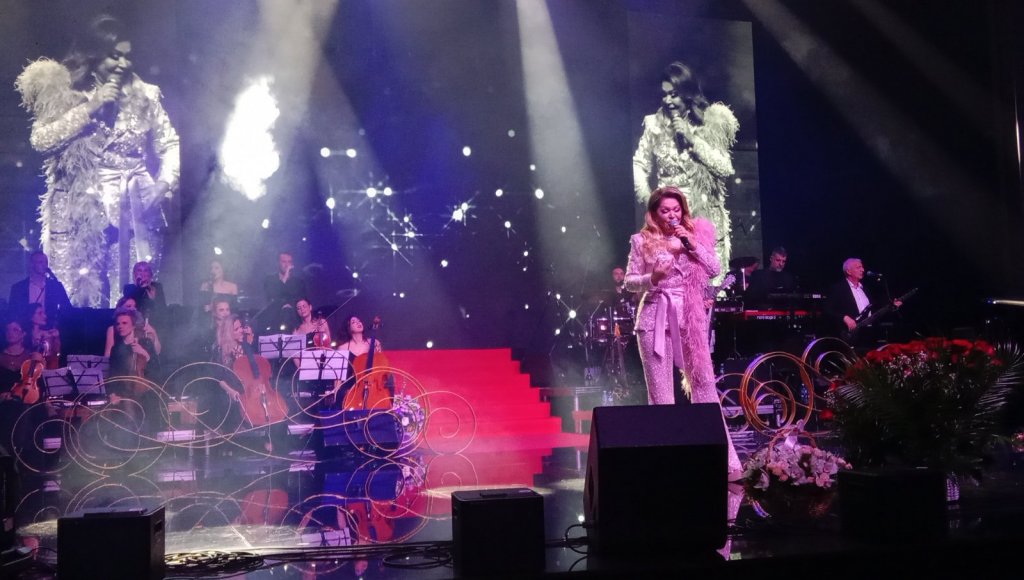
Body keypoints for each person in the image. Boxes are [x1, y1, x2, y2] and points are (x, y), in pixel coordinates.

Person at [14, 15, 179, 307]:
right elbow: (41, 140)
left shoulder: (147, 95)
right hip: (83, 207)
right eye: (114, 56)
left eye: (127, 56)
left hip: (138, 204)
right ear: (95, 55)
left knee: (133, 295)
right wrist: (91, 107)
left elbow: (169, 143)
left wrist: (164, 183)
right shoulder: (73, 96)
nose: (123, 64)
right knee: (76, 295)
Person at [624, 186, 742, 479]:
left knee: (705, 387)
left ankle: (725, 461)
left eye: (676, 210)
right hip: (654, 318)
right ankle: (667, 466)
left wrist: (691, 244)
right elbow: (629, 282)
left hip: (690, 319)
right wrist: (653, 277)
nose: (671, 215)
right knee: (661, 395)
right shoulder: (641, 241)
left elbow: (714, 268)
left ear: (683, 211)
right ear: (654, 213)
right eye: (665, 210)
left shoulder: (694, 236)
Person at [633, 62, 739, 281]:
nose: (668, 101)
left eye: (674, 95)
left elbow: (725, 168)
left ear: (687, 93)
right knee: (671, 286)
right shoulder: (653, 125)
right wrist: (650, 200)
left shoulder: (708, 124)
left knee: (706, 287)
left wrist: (693, 140)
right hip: (669, 224)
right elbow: (639, 164)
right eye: (664, 95)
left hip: (703, 221)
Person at [7, 251, 71, 327]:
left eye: (46, 262)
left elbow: (67, 307)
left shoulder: (55, 285)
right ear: (32, 265)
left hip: (49, 328)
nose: (44, 265)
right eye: (40, 262)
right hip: (26, 329)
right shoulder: (18, 288)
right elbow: (12, 312)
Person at [262, 252, 307, 332]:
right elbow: (273, 295)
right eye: (284, 262)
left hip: (293, 320)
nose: (287, 265)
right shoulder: (270, 280)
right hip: (275, 320)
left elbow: (301, 300)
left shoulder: (298, 282)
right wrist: (285, 276)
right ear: (278, 263)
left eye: (289, 262)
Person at [122, 261, 168, 334]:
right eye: (139, 270)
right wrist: (139, 286)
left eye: (145, 270)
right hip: (135, 324)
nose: (142, 273)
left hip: (155, 321)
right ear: (134, 273)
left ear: (150, 274)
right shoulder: (128, 288)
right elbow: (129, 307)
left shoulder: (156, 287)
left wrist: (150, 290)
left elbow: (162, 308)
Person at [26, 303, 61, 369]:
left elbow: (56, 355)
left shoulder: (49, 335)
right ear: (30, 316)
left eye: (44, 313)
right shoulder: (24, 336)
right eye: (40, 313)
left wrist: (57, 338)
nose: (45, 316)